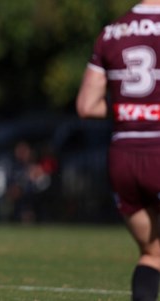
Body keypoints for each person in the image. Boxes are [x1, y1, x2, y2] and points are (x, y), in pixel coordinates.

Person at [77, 1, 160, 300]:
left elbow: (86, 106)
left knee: (152, 254)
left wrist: (133, 109)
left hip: (123, 156)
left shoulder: (112, 32)